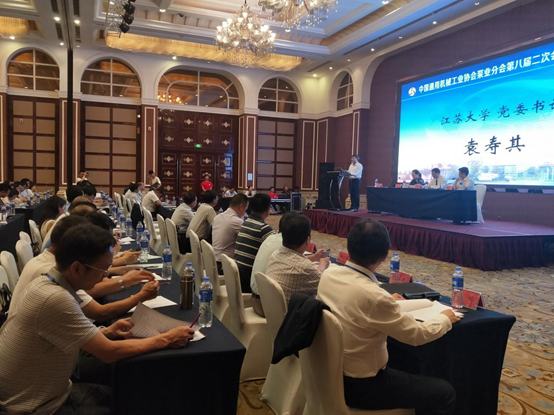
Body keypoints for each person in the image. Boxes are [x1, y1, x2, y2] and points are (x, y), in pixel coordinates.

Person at [0, 224, 194, 415]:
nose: (105, 276)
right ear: (77, 268)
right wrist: (167, 339)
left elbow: (65, 334)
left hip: (50, 393)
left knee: (126, 391)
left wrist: (106, 332)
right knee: (135, 399)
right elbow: (109, 352)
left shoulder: (46, 282)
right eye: (103, 269)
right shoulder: (55, 298)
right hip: (37, 407)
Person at [317, 219, 459, 414]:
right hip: (363, 386)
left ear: (348, 246)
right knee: (444, 393)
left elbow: (359, 300)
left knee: (406, 362)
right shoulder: (374, 297)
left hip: (331, 372)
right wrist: (444, 319)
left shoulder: (329, 274)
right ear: (384, 256)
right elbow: (416, 335)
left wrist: (386, 300)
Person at [10, 216, 159, 323]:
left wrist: (123, 277)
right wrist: (140, 295)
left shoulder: (51, 262)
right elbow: (100, 312)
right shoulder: (51, 272)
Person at [266, 213, 330, 304]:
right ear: (308, 240)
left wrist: (314, 257)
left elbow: (293, 261)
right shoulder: (304, 268)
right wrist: (323, 265)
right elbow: (323, 285)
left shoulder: (275, 254)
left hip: (271, 307)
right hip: (292, 311)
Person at [234, 194, 275, 293]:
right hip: (250, 279)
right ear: (268, 209)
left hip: (237, 274)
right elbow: (279, 248)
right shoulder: (264, 228)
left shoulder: (245, 222)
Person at [212, 194, 248, 273]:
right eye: (245, 209)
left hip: (215, 261)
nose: (245, 212)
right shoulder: (236, 221)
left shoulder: (217, 217)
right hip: (226, 266)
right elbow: (248, 239)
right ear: (241, 206)